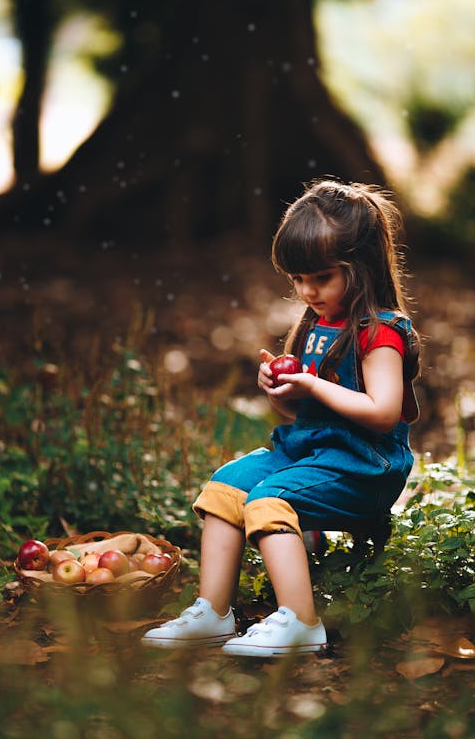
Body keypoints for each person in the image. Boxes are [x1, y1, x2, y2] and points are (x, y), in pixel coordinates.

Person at [142, 178, 421, 657]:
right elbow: (304, 411)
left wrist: (312, 383)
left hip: (363, 465)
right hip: (310, 451)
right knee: (225, 488)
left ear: (363, 267)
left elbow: (382, 413)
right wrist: (281, 391)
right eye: (298, 279)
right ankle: (213, 611)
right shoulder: (317, 324)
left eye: (321, 278)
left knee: (269, 500)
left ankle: (301, 621)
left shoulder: (380, 333)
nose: (307, 291)